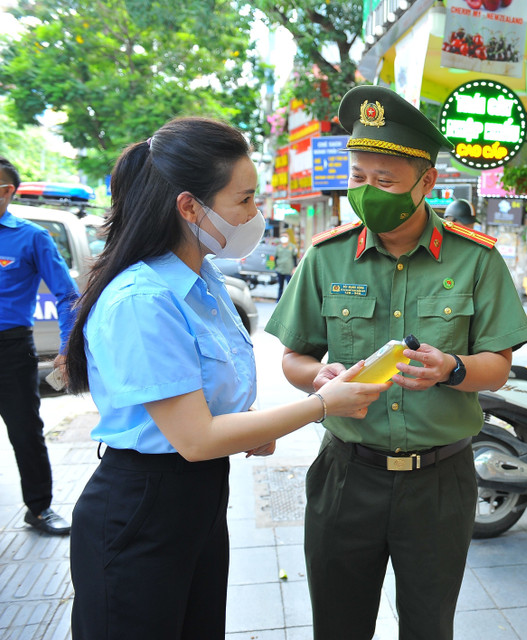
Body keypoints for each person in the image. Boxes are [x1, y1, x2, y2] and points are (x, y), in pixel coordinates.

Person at [65, 117, 390, 640]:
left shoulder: (205, 278)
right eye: (244, 199)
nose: (255, 213)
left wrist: (254, 426)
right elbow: (195, 439)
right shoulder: (144, 299)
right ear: (189, 207)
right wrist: (324, 404)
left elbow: (206, 410)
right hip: (143, 508)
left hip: (199, 500)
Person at [265, 85, 527, 640]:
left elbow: (498, 365)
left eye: (384, 181)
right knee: (338, 626)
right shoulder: (326, 256)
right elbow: (293, 357)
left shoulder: (476, 259)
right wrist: (318, 377)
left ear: (426, 181)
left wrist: (452, 368)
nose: (368, 192)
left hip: (439, 482)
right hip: (346, 474)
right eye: (358, 177)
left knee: (428, 627)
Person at [0, 157, 77, 536]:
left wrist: (67, 348)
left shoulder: (31, 238)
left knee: (25, 432)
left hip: (10, 350)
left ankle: (40, 508)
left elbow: (66, 295)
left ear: (7, 191)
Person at [274, 233, 297, 301]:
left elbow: (295, 258)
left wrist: (294, 267)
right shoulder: (278, 247)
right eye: (282, 236)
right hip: (280, 269)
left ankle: (289, 300)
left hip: (289, 269)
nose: (284, 238)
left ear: (288, 238)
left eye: (285, 236)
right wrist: (276, 267)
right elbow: (275, 258)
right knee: (280, 286)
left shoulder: (292, 247)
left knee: (289, 286)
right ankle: (279, 299)